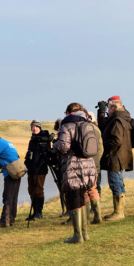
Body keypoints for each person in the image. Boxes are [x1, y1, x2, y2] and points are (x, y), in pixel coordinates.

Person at [53, 103, 97, 244]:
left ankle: (77, 235)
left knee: (74, 199)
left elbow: (63, 146)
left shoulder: (68, 125)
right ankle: (84, 233)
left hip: (73, 166)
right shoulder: (87, 124)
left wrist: (54, 145)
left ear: (68, 113)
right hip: (88, 165)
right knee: (83, 196)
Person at [98, 96, 133, 221]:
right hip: (120, 155)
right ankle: (119, 211)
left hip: (115, 156)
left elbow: (116, 140)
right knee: (118, 182)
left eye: (108, 107)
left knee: (115, 183)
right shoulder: (123, 118)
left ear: (113, 107)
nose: (107, 110)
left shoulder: (117, 120)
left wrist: (104, 146)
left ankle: (119, 212)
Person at [24, 120, 49, 220]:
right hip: (31, 168)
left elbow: (46, 154)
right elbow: (30, 153)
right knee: (31, 190)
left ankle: (39, 212)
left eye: (36, 127)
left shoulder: (45, 138)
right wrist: (26, 164)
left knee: (38, 190)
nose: (34, 128)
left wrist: (41, 163)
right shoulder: (32, 139)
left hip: (40, 169)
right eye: (33, 127)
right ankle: (34, 212)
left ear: (40, 128)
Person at [85, 110, 104, 224]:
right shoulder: (97, 130)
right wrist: (96, 161)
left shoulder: (84, 130)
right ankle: (98, 216)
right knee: (94, 189)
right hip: (95, 165)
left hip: (86, 165)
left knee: (85, 191)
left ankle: (86, 218)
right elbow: (101, 148)